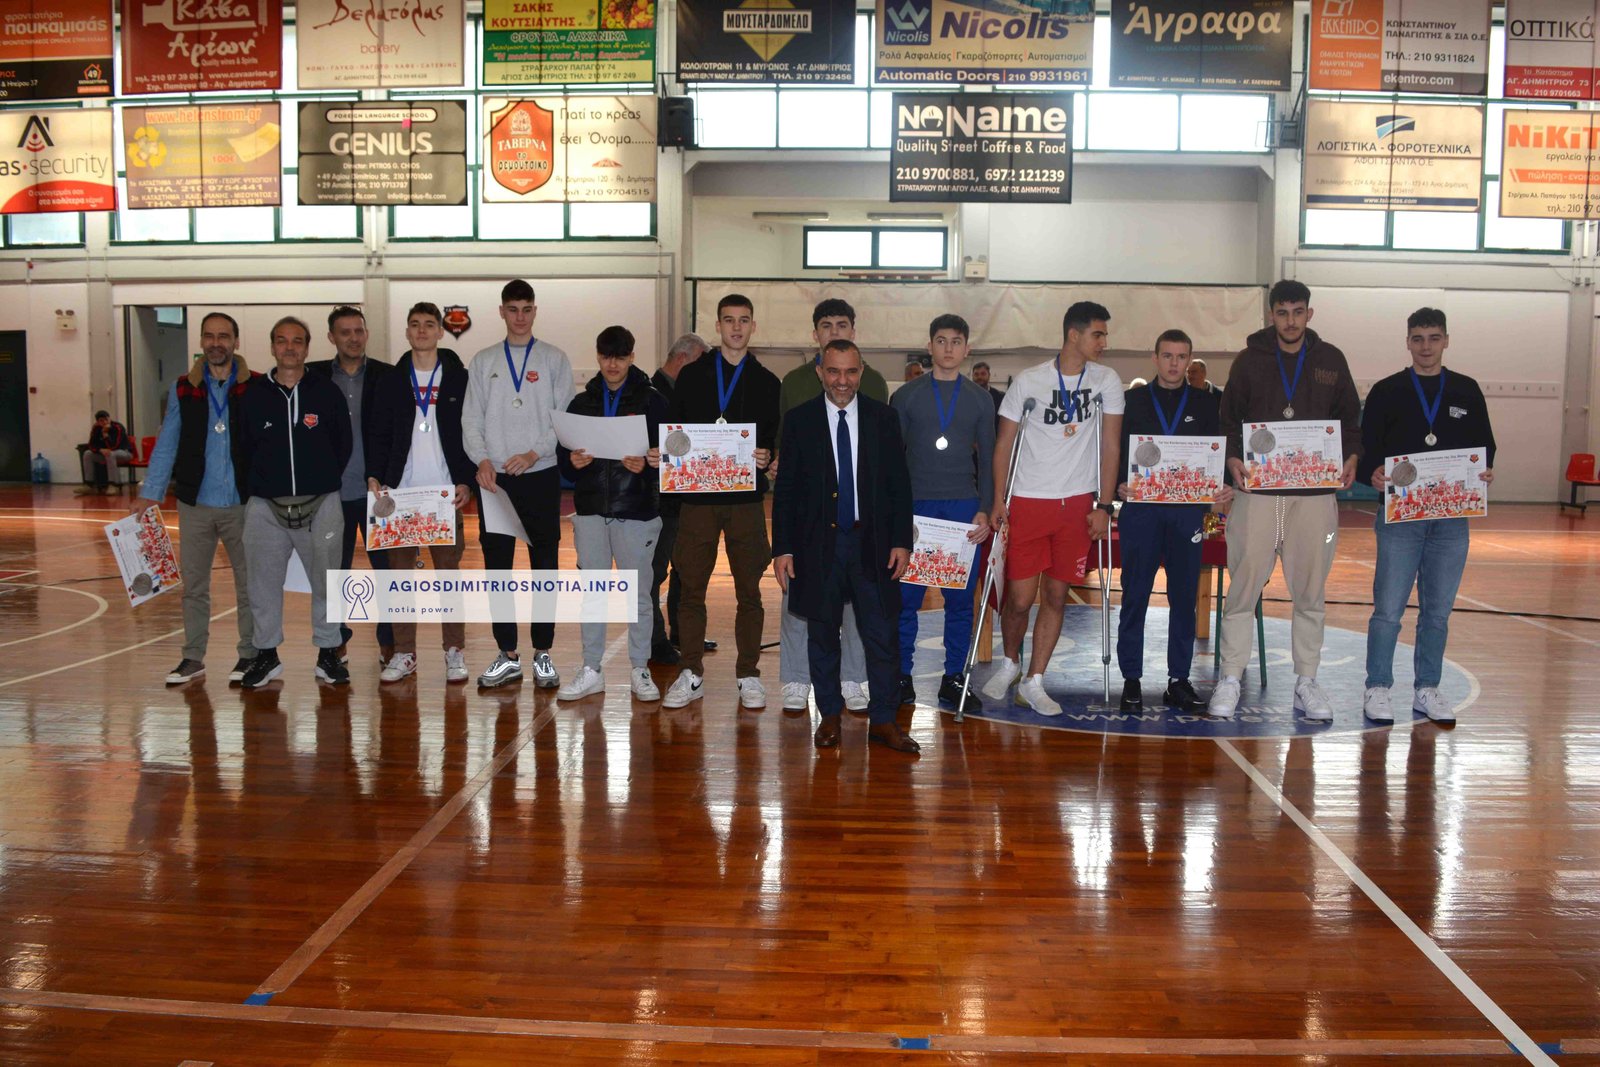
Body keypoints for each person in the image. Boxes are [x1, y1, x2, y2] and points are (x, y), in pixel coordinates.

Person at [1209, 280, 1361, 720]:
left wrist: (1351, 456)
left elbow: (1350, 419)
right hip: (1257, 493)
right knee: (1243, 587)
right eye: (1282, 313)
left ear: (1309, 314)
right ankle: (1231, 677)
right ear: (1271, 315)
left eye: (1298, 312)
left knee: (1310, 591)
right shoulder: (1249, 360)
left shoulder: (1331, 359)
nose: (1290, 321)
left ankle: (1306, 681)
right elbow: (1228, 419)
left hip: (1313, 496)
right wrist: (1232, 458)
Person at [772, 340, 918, 754]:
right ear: (820, 371)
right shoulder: (798, 421)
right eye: (834, 371)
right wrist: (782, 549)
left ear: (861, 372)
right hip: (817, 548)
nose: (842, 381)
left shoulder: (883, 418)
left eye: (850, 372)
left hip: (873, 546)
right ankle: (830, 716)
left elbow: (899, 485)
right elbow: (785, 491)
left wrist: (901, 541)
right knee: (822, 636)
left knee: (882, 636)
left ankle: (884, 721)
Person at [983, 302, 1124, 717]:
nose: (1104, 342)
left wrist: (1104, 504)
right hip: (1029, 500)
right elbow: (1004, 444)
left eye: (1104, 334)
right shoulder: (1030, 381)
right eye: (1098, 334)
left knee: (1057, 595)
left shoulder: (1107, 381)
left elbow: (1110, 444)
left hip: (1077, 503)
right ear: (1073, 335)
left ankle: (1035, 680)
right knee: (1020, 599)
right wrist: (998, 498)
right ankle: (1011, 662)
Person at [1358, 307, 1495, 724]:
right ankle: (1378, 687)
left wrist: (1484, 471)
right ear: (1407, 342)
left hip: (1451, 520)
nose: (1426, 346)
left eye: (1434, 338)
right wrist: (1371, 473)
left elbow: (1485, 446)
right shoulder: (1387, 391)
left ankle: (1427, 688)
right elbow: (1366, 448)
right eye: (1418, 338)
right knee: (1388, 610)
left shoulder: (1467, 390)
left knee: (1437, 612)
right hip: (1400, 518)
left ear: (1446, 340)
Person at [660, 294, 781, 709]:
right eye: (729, 320)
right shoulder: (692, 376)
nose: (736, 328)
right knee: (691, 588)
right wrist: (668, 452)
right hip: (698, 499)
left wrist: (766, 455)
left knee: (750, 590)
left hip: (745, 501)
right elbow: (674, 433)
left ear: (753, 326)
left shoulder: (767, 382)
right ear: (718, 325)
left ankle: (748, 674)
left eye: (744, 320)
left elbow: (770, 441)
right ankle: (691, 671)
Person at [462, 280, 575, 689]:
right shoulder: (483, 360)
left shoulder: (554, 359)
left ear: (535, 311)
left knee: (545, 567)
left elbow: (562, 416)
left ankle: (543, 652)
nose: (520, 317)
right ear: (501, 312)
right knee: (498, 570)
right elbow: (471, 418)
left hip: (540, 474)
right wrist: (481, 460)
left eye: (527, 309)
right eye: (513, 309)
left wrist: (533, 453)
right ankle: (507, 654)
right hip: (495, 480)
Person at [775, 299, 886, 713]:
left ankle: (853, 677)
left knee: (856, 605)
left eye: (842, 324)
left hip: (855, 519)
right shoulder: (792, 382)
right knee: (798, 602)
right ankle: (796, 678)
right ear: (815, 334)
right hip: (809, 521)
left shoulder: (873, 382)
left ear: (853, 331)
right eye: (826, 325)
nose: (834, 330)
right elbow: (785, 450)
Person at [138, 312, 259, 685]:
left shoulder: (256, 386)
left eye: (224, 336)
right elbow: (167, 442)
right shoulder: (182, 388)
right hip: (195, 505)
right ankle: (192, 658)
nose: (216, 343)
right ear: (202, 342)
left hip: (243, 504)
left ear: (236, 341)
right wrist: (150, 493)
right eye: (209, 336)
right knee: (193, 588)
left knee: (249, 586)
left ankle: (250, 656)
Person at [1114, 330, 1231, 713]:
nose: (1174, 363)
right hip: (1141, 512)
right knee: (1135, 596)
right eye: (1167, 355)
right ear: (1155, 358)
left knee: (1183, 598)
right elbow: (1115, 450)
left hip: (1187, 514)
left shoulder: (1207, 403)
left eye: (1182, 357)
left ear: (1190, 360)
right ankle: (1131, 679)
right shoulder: (1132, 400)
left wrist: (1218, 492)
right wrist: (1116, 485)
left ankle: (1178, 681)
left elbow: (1216, 455)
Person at [237, 317, 353, 689]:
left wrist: (319, 480)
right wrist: (259, 487)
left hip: (321, 504)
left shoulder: (327, 392)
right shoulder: (252, 395)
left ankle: (328, 652)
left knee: (328, 583)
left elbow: (343, 445)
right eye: (282, 340)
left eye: (297, 341)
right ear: (272, 346)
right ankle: (266, 654)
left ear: (307, 347)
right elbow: (241, 450)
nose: (290, 347)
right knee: (262, 585)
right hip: (265, 507)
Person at [556, 325, 670, 703]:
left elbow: (673, 457)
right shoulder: (580, 404)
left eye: (620, 357)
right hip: (590, 512)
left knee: (638, 596)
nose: (613, 364)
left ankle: (639, 668)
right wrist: (571, 463)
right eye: (606, 356)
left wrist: (650, 465)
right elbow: (564, 462)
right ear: (598, 356)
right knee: (593, 594)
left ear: (632, 357)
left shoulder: (653, 402)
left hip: (636, 512)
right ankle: (592, 669)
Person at [364, 302, 475, 684]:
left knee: (448, 579)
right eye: (415, 324)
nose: (422, 330)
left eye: (429, 324)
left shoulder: (459, 379)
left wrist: (466, 481)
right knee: (399, 580)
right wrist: (375, 476)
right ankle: (404, 653)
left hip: (444, 495)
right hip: (401, 495)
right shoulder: (392, 380)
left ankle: (454, 651)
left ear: (441, 332)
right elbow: (378, 433)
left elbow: (469, 433)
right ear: (407, 332)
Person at [890, 314, 994, 711]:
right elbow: (892, 462)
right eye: (941, 340)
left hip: (962, 509)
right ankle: (902, 675)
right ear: (929, 346)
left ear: (967, 349)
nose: (948, 348)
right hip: (915, 508)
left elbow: (989, 460)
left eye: (956, 342)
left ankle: (954, 678)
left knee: (960, 602)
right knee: (906, 599)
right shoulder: (906, 396)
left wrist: (984, 509)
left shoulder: (981, 399)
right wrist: (896, 513)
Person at [308, 305, 394, 667]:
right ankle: (334, 642)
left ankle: (390, 643)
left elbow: (398, 432)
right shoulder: (313, 378)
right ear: (332, 337)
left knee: (388, 574)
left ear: (366, 334)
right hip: (332, 494)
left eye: (359, 331)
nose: (353, 338)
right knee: (334, 574)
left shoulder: (387, 376)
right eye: (345, 332)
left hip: (378, 495)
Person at [649, 333, 709, 665]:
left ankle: (681, 634)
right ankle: (656, 641)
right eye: (699, 363)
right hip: (659, 500)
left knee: (684, 569)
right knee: (656, 572)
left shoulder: (678, 391)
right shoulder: (653, 395)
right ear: (683, 359)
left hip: (683, 497)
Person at [78, 410, 134, 494]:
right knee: (87, 454)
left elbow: (114, 446)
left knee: (110, 454)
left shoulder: (118, 427)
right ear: (97, 422)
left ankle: (113, 485)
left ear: (109, 418)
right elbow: (91, 445)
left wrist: (105, 434)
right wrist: (100, 450)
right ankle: (89, 485)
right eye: (101, 420)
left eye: (106, 419)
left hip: (124, 453)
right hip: (106, 454)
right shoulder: (96, 428)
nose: (104, 422)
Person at [973, 360, 1007, 430]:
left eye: (983, 374)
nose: (979, 377)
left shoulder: (1000, 397)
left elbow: (1003, 422)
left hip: (993, 435)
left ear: (989, 375)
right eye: (976, 374)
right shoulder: (966, 396)